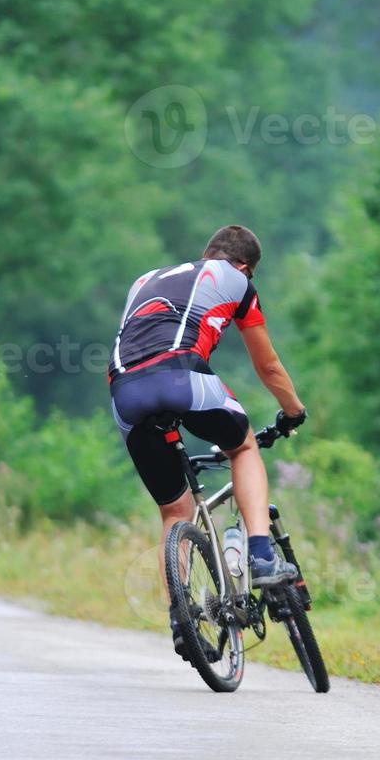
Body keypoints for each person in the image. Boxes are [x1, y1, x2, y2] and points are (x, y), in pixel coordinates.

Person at [108, 225, 307, 589]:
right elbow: (267, 366)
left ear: (208, 252)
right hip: (181, 378)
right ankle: (262, 556)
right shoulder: (237, 279)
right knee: (243, 447)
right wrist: (293, 411)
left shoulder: (144, 280)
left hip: (125, 393)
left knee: (174, 512)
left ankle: (181, 623)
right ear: (245, 267)